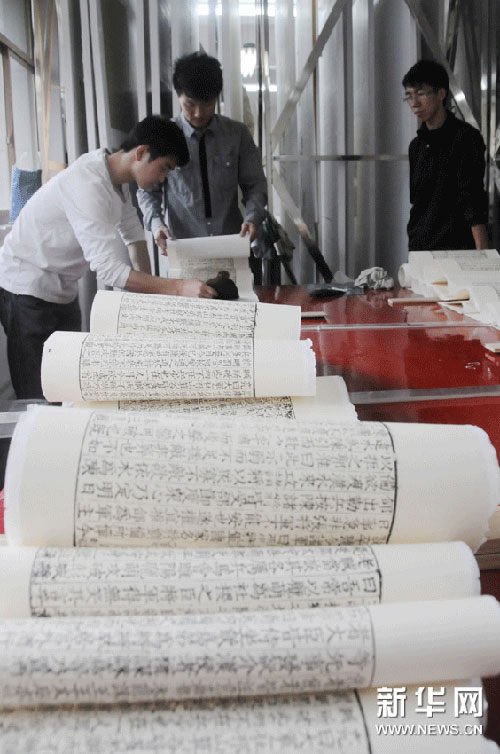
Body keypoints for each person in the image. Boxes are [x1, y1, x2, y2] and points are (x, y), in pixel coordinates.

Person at [0, 116, 216, 399]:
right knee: (37, 395)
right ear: (141, 153)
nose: (163, 178)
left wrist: (152, 301)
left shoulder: (118, 180)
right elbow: (109, 271)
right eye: (164, 167)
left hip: (62, 289)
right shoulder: (88, 183)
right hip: (26, 288)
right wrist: (179, 288)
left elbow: (134, 237)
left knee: (67, 387)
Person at [137, 51, 267, 253]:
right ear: (178, 95)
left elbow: (255, 185)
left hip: (232, 245)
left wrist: (252, 218)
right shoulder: (163, 137)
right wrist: (156, 225)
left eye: (207, 105)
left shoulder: (237, 134)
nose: (198, 113)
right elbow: (147, 191)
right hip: (184, 249)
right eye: (190, 104)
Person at [402, 59, 489, 251]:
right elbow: (417, 202)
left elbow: (473, 199)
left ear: (441, 94)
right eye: (409, 96)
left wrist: (482, 253)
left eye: (421, 94)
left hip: (456, 248)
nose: (414, 104)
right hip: (420, 248)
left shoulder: (466, 139)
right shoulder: (416, 146)